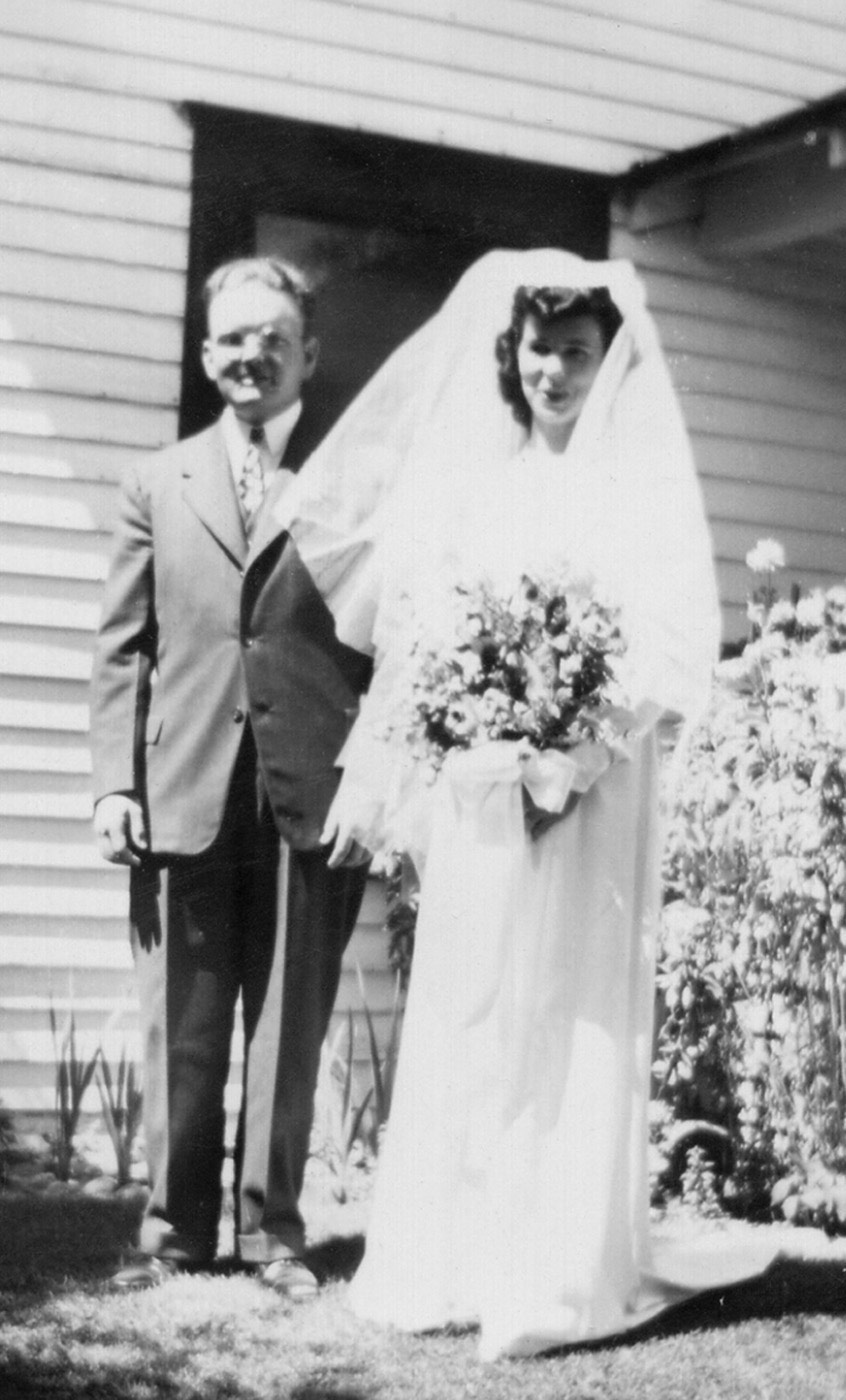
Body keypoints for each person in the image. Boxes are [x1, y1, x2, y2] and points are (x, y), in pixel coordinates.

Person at [302, 248, 778, 1359]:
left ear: (611, 361)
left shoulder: (637, 487)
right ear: (509, 355)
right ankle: (451, 1258)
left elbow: (666, 647)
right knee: (474, 1003)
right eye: (537, 349)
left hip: (593, 795)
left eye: (576, 351)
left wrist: (576, 758)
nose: (553, 371)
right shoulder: (482, 478)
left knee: (568, 1005)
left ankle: (554, 1268)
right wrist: (472, 738)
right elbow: (425, 639)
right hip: (484, 791)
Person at [90, 256, 373, 1297]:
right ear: (207, 354)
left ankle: (273, 1236)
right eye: (233, 337)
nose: (253, 354)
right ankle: (174, 1232)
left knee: (289, 1026)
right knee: (184, 1022)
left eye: (273, 337)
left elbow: (386, 640)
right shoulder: (154, 483)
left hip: (311, 787)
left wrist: (374, 782)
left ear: (310, 352)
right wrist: (114, 783)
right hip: (184, 785)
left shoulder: (355, 477)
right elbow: (124, 646)